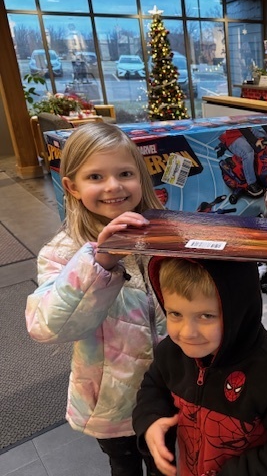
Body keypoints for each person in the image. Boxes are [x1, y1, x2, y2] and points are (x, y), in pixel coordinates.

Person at [25, 122, 166, 476]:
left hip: (168, 392)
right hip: (111, 403)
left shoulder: (160, 237)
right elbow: (45, 326)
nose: (113, 186)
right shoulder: (62, 252)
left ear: (141, 176)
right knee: (125, 466)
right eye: (96, 177)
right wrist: (100, 262)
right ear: (72, 186)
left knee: (167, 464)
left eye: (125, 173)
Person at [133, 257, 267, 476]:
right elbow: (153, 387)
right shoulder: (172, 353)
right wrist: (150, 420)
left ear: (239, 312)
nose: (187, 333)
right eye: (175, 314)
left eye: (206, 316)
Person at [219, 126, 267, 197]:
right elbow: (242, 126)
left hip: (248, 130)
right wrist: (255, 141)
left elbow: (265, 122)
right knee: (248, 153)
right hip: (234, 136)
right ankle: (251, 183)